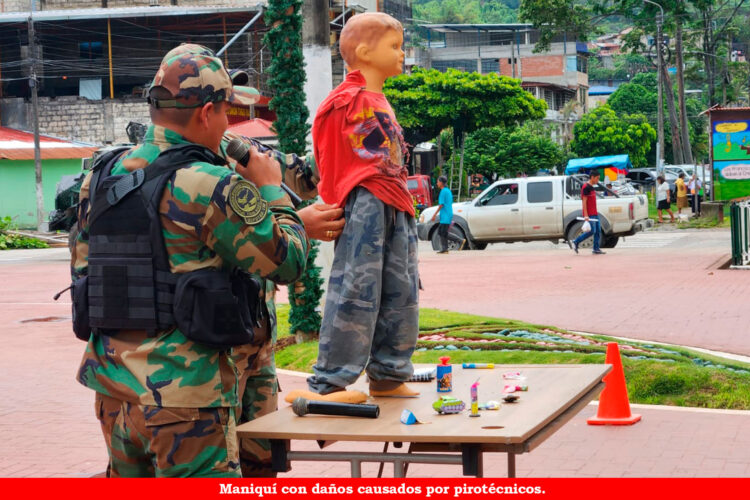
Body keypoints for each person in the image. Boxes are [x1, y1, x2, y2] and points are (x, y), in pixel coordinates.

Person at [71, 45, 309, 477]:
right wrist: (273, 190)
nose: (227, 125)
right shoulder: (209, 184)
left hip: (113, 391)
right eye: (226, 113)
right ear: (206, 113)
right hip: (187, 399)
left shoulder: (103, 174)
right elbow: (288, 262)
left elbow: (84, 269)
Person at [304, 12, 420, 400]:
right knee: (356, 288)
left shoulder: (377, 98)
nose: (402, 54)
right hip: (366, 203)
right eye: (394, 46)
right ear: (366, 52)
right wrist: (337, 198)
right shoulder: (344, 100)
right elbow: (328, 153)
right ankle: (331, 381)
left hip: (396, 202)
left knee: (400, 291)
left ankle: (388, 373)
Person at [569, 171, 606, 255]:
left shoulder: (592, 187)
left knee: (598, 231)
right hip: (590, 214)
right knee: (592, 231)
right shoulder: (586, 187)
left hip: (595, 213)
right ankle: (576, 241)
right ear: (592, 177)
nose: (598, 180)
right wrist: (586, 215)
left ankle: (596, 249)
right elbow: (584, 202)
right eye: (597, 178)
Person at [430, 175, 460, 253]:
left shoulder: (443, 191)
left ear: (441, 182)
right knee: (442, 232)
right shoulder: (448, 190)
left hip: (445, 215)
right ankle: (445, 249)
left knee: (442, 232)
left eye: (437, 182)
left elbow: (441, 205)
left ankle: (459, 240)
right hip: (447, 214)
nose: (437, 183)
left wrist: (434, 215)